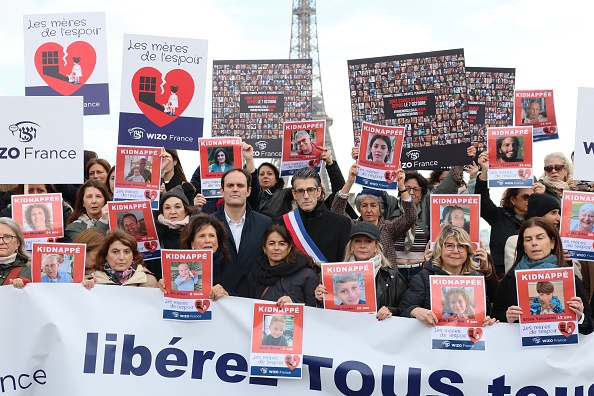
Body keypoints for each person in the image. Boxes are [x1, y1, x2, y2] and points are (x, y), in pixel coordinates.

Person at [493, 218, 593, 334]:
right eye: (528, 239)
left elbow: (589, 326)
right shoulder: (509, 280)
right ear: (523, 246)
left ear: (552, 243)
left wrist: (580, 317)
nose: (534, 243)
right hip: (521, 350)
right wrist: (507, 317)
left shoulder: (569, 279)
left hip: (561, 349)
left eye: (540, 238)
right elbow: (495, 316)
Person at [398, 225, 497, 327]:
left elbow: (488, 313)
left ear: (468, 251)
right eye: (449, 246)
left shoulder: (476, 278)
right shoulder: (423, 278)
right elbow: (403, 310)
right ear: (440, 250)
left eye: (461, 246)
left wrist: (489, 320)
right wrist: (414, 311)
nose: (455, 251)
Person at [315, 222, 407, 320]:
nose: (362, 246)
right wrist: (321, 301)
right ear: (351, 247)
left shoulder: (392, 277)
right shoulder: (333, 274)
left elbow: (405, 309)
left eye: (368, 241)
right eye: (357, 241)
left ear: (376, 246)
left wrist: (391, 311)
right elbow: (327, 319)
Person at [331, 164, 416, 266]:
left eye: (373, 205)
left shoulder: (389, 228)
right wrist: (350, 181)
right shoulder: (352, 226)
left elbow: (410, 217)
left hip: (385, 279)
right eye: (364, 206)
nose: (369, 210)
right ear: (359, 209)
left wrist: (402, 187)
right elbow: (336, 210)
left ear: (381, 210)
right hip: (359, 277)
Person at [476, 150, 534, 275]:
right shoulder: (498, 216)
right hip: (503, 275)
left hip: (531, 274)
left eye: (532, 197)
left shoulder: (537, 219)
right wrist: (485, 171)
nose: (529, 201)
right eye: (525, 197)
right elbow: (481, 201)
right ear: (513, 199)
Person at [213, 168, 272, 286]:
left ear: (248, 191)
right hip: (216, 298)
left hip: (254, 296)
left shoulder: (265, 223)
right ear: (222, 191)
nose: (235, 189)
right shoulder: (207, 224)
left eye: (240, 185)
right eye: (230, 185)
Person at [281, 167, 351, 263]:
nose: (306, 196)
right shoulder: (282, 223)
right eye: (301, 191)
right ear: (294, 194)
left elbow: (344, 264)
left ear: (318, 192)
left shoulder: (341, 223)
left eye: (310, 190)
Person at [245, 225, 317, 306]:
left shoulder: (307, 275)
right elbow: (248, 307)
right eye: (271, 243)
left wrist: (293, 304)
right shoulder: (256, 273)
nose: (276, 248)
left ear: (289, 247)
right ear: (264, 248)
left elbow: (315, 311)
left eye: (281, 244)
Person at [179, 214, 247, 298]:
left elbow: (244, 303)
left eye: (211, 236)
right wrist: (163, 288)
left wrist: (227, 295)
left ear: (218, 242)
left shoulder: (232, 271)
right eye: (202, 236)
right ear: (192, 243)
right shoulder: (182, 268)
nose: (207, 240)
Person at [85, 229, 158, 287]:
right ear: (105, 255)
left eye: (126, 252)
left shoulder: (148, 280)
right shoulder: (90, 280)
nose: (121, 257)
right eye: (115, 252)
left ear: (133, 255)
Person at [0, 218, 31, 287]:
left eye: (7, 237)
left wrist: (28, 287)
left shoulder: (31, 271)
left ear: (18, 243)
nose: (1, 242)